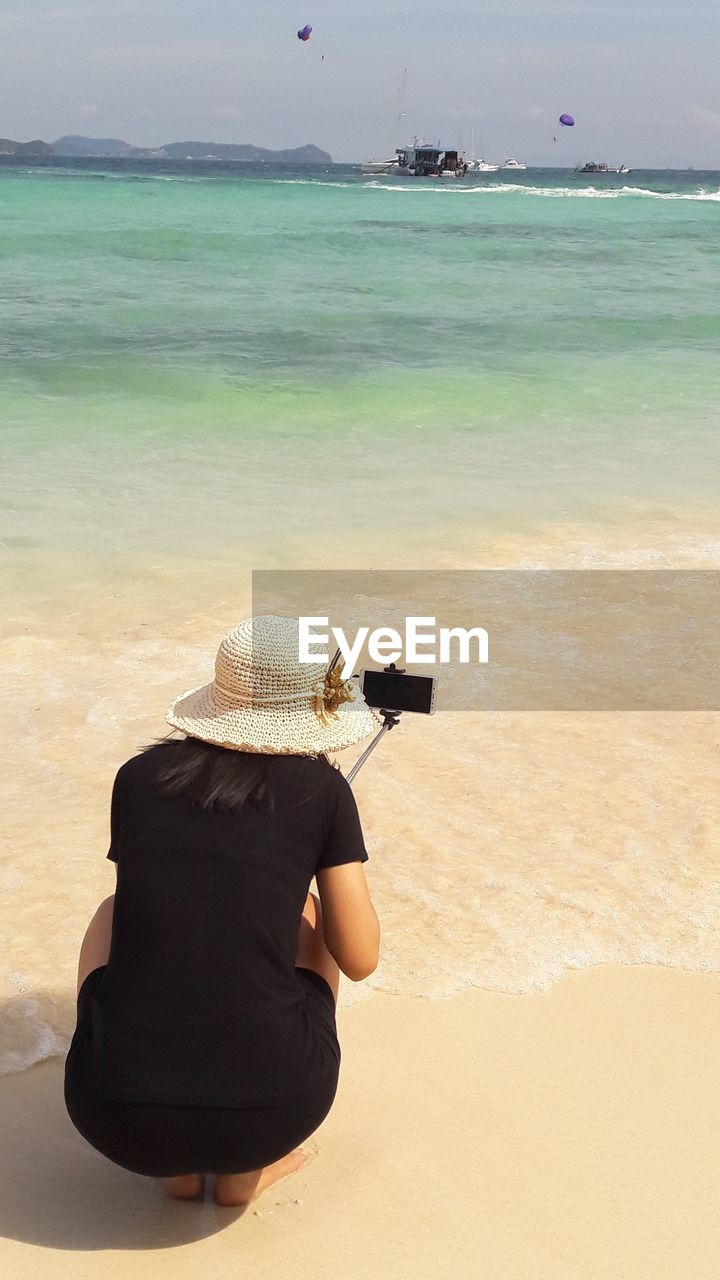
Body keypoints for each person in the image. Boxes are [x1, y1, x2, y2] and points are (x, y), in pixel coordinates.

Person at [64, 615, 381, 1207]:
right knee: (310, 910)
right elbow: (360, 958)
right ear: (317, 708)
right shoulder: (322, 791)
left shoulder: (136, 779)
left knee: (115, 908)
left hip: (113, 1116)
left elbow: (162, 917)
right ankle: (243, 1175)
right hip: (277, 1112)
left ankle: (175, 1174)